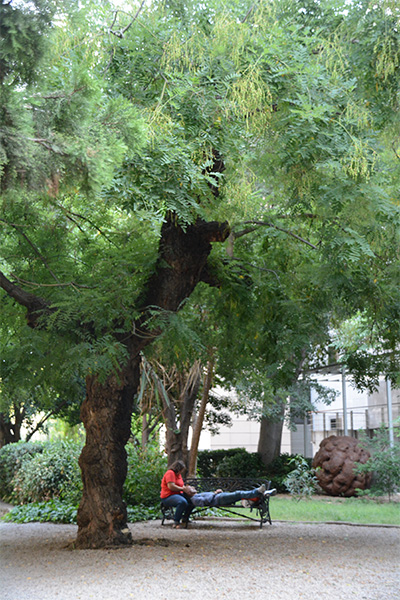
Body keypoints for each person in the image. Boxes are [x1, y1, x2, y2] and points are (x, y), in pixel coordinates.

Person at [160, 460, 194, 528]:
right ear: (178, 468)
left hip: (178, 494)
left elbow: (181, 485)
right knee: (182, 502)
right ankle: (176, 522)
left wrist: (188, 489)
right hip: (168, 496)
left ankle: (185, 518)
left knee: (193, 500)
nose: (182, 471)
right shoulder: (170, 473)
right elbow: (171, 486)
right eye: (181, 470)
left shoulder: (178, 475)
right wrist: (183, 489)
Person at [186, 484, 277, 507]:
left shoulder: (198, 494)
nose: (193, 487)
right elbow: (205, 501)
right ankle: (258, 491)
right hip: (219, 500)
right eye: (190, 488)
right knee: (238, 494)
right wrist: (215, 493)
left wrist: (216, 492)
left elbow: (208, 497)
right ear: (188, 493)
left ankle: (263, 494)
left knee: (240, 495)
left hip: (220, 496)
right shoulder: (194, 498)